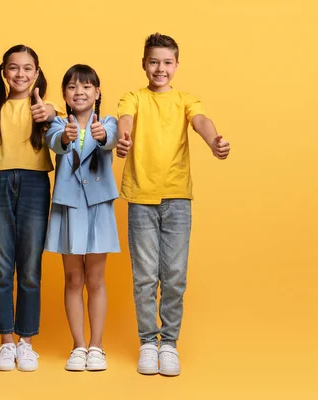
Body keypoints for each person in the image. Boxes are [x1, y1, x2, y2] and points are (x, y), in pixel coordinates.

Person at [115, 33, 231, 376]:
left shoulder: (185, 99)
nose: (160, 68)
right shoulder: (133, 97)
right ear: (144, 64)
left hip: (177, 196)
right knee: (145, 277)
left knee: (175, 275)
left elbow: (201, 122)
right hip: (140, 197)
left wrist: (214, 141)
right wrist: (124, 136)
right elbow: (125, 118)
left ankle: (169, 344)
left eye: (167, 62)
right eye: (154, 61)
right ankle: (148, 343)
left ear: (176, 65)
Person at [0, 45, 60, 372]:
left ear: (37, 74)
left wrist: (50, 114)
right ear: (4, 72)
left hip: (36, 183)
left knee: (30, 266)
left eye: (27, 68)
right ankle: (6, 342)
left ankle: (27, 342)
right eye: (13, 68)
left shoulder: (47, 109)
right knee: (0, 264)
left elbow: (59, 126)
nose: (20, 74)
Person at [45, 64, 120, 372]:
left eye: (87, 86)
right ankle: (78, 346)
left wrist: (102, 137)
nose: (80, 92)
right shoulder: (59, 123)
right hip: (69, 206)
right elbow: (54, 142)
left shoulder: (107, 122)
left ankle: (97, 346)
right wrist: (64, 137)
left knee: (96, 279)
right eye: (73, 87)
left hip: (98, 206)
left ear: (97, 92)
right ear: (64, 94)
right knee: (74, 279)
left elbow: (112, 139)